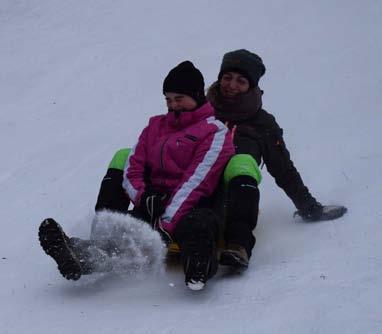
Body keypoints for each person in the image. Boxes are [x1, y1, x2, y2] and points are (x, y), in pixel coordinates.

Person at [38, 61, 234, 290]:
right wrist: (144, 196)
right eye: (168, 100)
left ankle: (197, 271)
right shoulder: (155, 127)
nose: (173, 106)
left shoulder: (214, 131)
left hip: (192, 208)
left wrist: (166, 222)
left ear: (197, 95)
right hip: (152, 205)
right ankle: (79, 256)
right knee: (123, 237)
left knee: (198, 228)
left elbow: (197, 181)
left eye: (179, 99)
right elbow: (133, 167)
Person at [207, 49, 347, 270]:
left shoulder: (261, 124)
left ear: (252, 86)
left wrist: (310, 207)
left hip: (236, 196)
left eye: (241, 81)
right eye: (227, 77)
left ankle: (238, 245)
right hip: (193, 190)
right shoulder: (200, 112)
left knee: (240, 167)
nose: (231, 85)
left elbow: (283, 169)